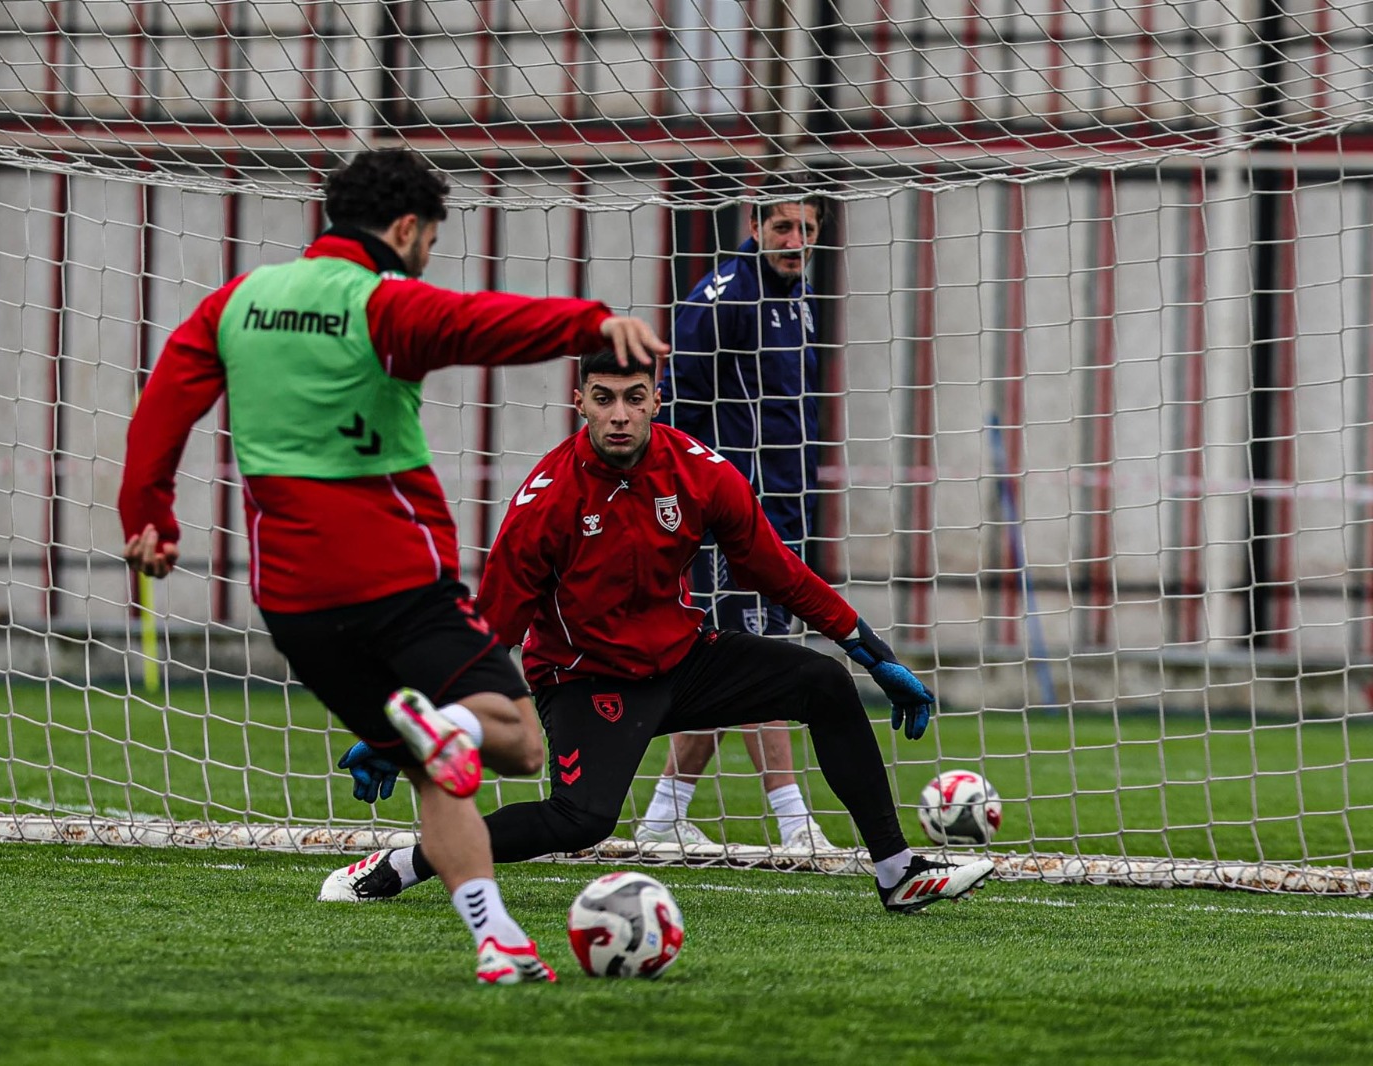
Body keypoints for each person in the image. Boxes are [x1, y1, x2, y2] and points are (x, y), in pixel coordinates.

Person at [117, 148, 668, 984]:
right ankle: (451, 727)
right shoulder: (382, 305)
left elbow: (164, 403)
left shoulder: (237, 303)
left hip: (294, 600)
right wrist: (589, 324)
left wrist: (149, 517)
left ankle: (498, 941)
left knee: (430, 770)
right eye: (431, 240)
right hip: (394, 576)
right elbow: (481, 323)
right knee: (516, 745)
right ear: (407, 230)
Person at [319, 351, 994, 913]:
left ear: (656, 400)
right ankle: (409, 862)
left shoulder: (700, 474)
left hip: (684, 658)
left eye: (634, 397)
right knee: (581, 821)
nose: (619, 414)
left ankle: (898, 871)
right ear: (579, 399)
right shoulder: (545, 503)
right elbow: (489, 633)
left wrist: (868, 652)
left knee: (821, 682)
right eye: (605, 397)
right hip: (586, 678)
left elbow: (779, 573)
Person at [637, 184, 833, 854]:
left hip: (781, 506)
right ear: (754, 225)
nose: (793, 242)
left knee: (732, 661)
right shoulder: (724, 297)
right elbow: (676, 402)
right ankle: (794, 821)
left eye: (805, 229)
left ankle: (664, 815)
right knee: (764, 659)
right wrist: (685, 501)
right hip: (730, 512)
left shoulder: (797, 300)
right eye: (781, 227)